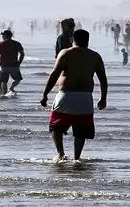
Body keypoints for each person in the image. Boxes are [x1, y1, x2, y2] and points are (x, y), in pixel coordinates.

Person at [40, 29, 108, 162]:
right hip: (85, 97)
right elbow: (103, 79)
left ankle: (61, 154)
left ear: (72, 40)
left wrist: (45, 94)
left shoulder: (66, 53)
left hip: (66, 95)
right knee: (81, 129)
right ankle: (77, 157)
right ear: (88, 41)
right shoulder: (95, 56)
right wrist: (103, 98)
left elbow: (55, 74)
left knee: (56, 126)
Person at [0, 29, 26, 94]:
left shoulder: (0, 44)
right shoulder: (17, 43)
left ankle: (4, 95)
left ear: (5, 36)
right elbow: (22, 54)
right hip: (14, 66)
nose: (2, 37)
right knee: (18, 79)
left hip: (4, 66)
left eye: (3, 35)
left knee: (4, 82)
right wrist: (19, 62)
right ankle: (12, 87)